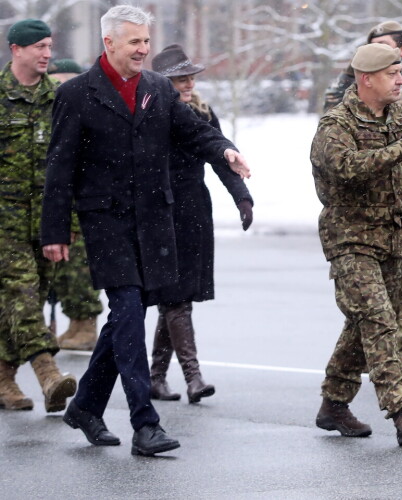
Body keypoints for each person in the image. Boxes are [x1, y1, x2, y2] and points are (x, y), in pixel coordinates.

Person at [41, 5, 251, 455]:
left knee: (124, 317)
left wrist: (226, 150)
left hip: (155, 221)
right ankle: (144, 423)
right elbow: (59, 170)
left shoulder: (157, 88)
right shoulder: (77, 94)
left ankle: (85, 407)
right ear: (109, 43)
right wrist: (54, 231)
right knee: (129, 312)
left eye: (146, 42)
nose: (143, 50)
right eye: (135, 41)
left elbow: (195, 132)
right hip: (106, 221)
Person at [310, 43, 402, 446]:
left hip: (394, 241)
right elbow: (347, 169)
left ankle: (333, 404)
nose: (401, 80)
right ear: (366, 79)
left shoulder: (399, 117)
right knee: (381, 322)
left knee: (363, 324)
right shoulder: (336, 124)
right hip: (351, 241)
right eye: (392, 74)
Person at [147, 44, 253, 403]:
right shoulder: (149, 113)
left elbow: (221, 154)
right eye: (180, 78)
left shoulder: (203, 113)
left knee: (178, 296)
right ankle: (194, 378)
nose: (188, 83)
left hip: (193, 209)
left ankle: (156, 377)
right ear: (163, 82)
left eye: (190, 76)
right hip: (160, 211)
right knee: (176, 297)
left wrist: (242, 198)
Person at [0, 18, 78, 413]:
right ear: (16, 49)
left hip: (47, 222)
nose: (47, 54)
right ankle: (47, 372)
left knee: (22, 299)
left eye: (50, 46)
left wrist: (70, 224)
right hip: (4, 221)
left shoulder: (60, 99)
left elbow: (72, 167)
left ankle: (2, 377)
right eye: (39, 47)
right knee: (22, 294)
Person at [44, 58, 105, 352]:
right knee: (61, 272)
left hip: (81, 205)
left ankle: (85, 324)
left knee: (79, 270)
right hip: (55, 204)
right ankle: (74, 324)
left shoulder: (86, 111)